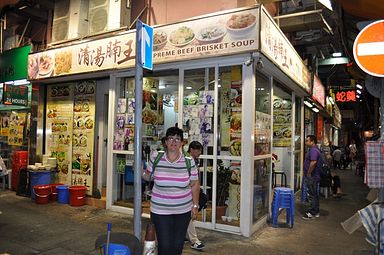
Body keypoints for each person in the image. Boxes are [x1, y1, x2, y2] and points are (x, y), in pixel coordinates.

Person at [142, 127, 200, 255]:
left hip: (183, 211)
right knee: (165, 245)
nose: (174, 141)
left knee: (177, 245)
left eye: (177, 139)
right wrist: (141, 171)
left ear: (182, 143)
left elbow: (195, 184)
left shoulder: (188, 162)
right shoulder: (156, 157)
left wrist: (195, 205)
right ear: (166, 142)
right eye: (171, 138)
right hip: (160, 210)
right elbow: (147, 176)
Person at [185, 141, 205, 251]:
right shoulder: (188, 160)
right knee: (190, 216)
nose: (199, 153)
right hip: (187, 193)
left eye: (200, 151)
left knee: (188, 216)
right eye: (198, 150)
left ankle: (188, 237)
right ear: (192, 149)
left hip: (190, 191)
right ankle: (194, 240)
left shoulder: (193, 160)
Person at [302, 135, 321, 220]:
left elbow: (313, 162)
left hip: (312, 176)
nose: (306, 142)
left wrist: (309, 173)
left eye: (307, 141)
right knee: (314, 194)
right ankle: (316, 211)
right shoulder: (315, 149)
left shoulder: (313, 150)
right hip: (314, 176)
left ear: (312, 141)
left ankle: (312, 212)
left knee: (312, 195)